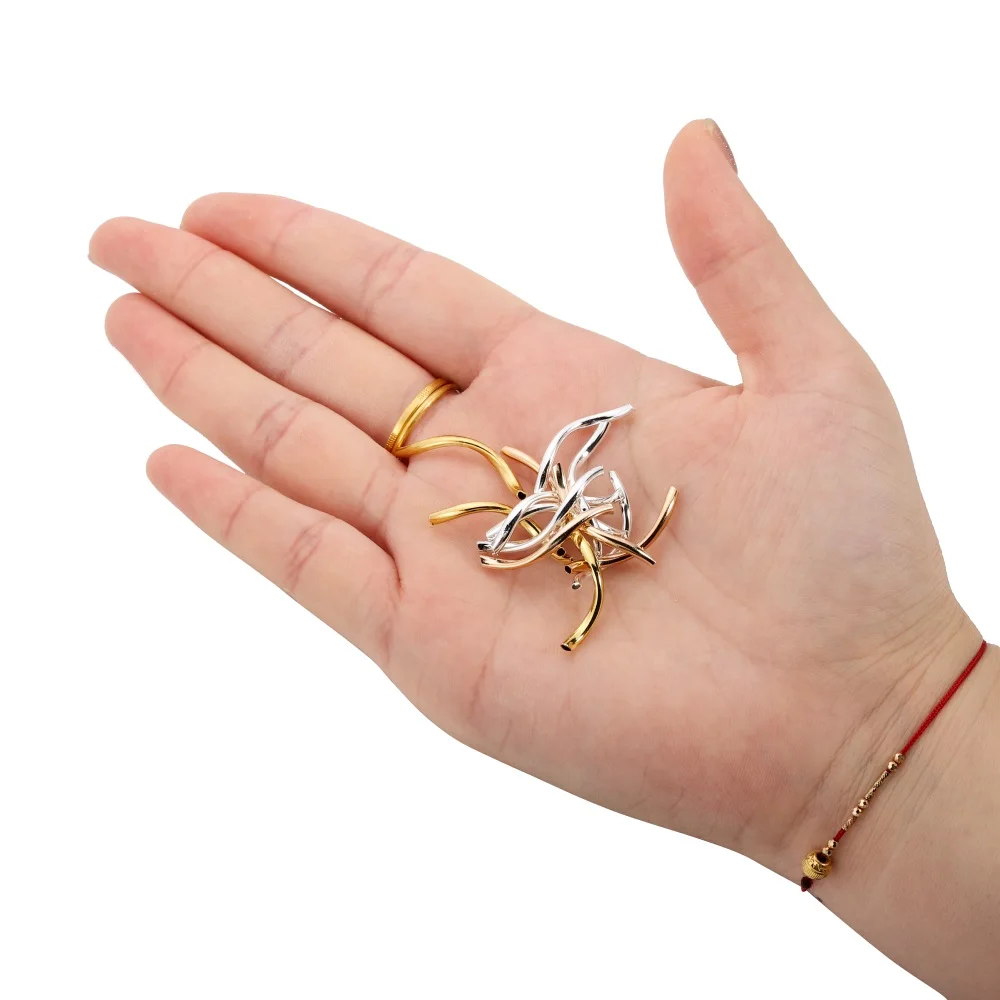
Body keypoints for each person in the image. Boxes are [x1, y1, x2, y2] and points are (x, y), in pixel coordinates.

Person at [89, 119, 997, 998]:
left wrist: (891, 704)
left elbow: (558, 526)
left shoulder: (580, 523)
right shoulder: (541, 512)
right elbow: (513, 516)